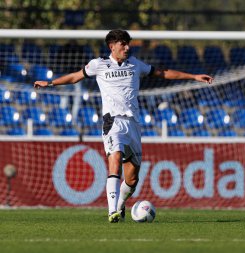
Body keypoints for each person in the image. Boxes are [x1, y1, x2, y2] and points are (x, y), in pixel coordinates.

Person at [34, 29, 213, 223]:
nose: (127, 47)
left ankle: (120, 205)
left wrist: (193, 76)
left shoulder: (135, 64)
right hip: (113, 121)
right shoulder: (99, 64)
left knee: (132, 179)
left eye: (128, 44)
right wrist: (50, 83)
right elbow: (76, 76)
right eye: (123, 44)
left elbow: (163, 73)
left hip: (133, 124)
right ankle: (112, 211)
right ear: (112, 46)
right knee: (115, 157)